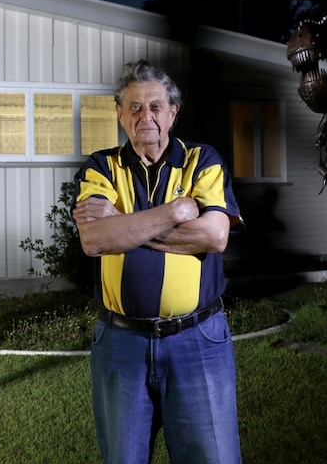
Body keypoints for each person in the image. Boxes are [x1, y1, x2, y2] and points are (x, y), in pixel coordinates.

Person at [73, 60, 243, 463]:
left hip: (198, 340)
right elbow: (95, 240)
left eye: (154, 106)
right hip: (121, 342)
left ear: (172, 113)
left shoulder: (203, 160)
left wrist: (125, 227)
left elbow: (215, 236)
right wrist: (175, 212)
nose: (144, 116)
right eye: (133, 107)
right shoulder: (102, 166)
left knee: (213, 457)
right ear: (119, 113)